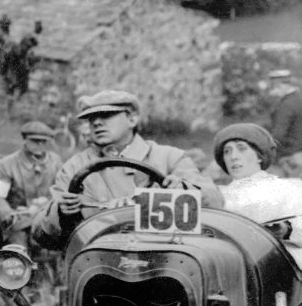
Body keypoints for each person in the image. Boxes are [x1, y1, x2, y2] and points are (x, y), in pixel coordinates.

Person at [31, 89, 223, 250]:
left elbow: (214, 203)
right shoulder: (75, 167)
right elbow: (40, 233)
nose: (97, 123)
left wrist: (181, 191)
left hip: (164, 262)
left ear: (132, 119)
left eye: (106, 115)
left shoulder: (169, 158)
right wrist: (61, 212)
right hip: (97, 264)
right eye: (91, 118)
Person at [212, 123, 302, 270]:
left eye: (242, 149)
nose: (233, 157)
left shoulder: (291, 188)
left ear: (259, 156)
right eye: (227, 151)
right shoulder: (217, 195)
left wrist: (287, 230)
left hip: (280, 278)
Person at [0, 121, 63, 248]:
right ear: (25, 140)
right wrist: (7, 214)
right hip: (18, 221)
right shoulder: (7, 164)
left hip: (49, 219)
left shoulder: (56, 162)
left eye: (43, 141)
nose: (39, 145)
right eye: (34, 141)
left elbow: (63, 189)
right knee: (17, 252)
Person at [265, 70, 302, 162]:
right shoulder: (300, 99)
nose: (272, 92)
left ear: (280, 86)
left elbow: (278, 135)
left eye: (273, 87)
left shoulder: (286, 105)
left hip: (289, 154)